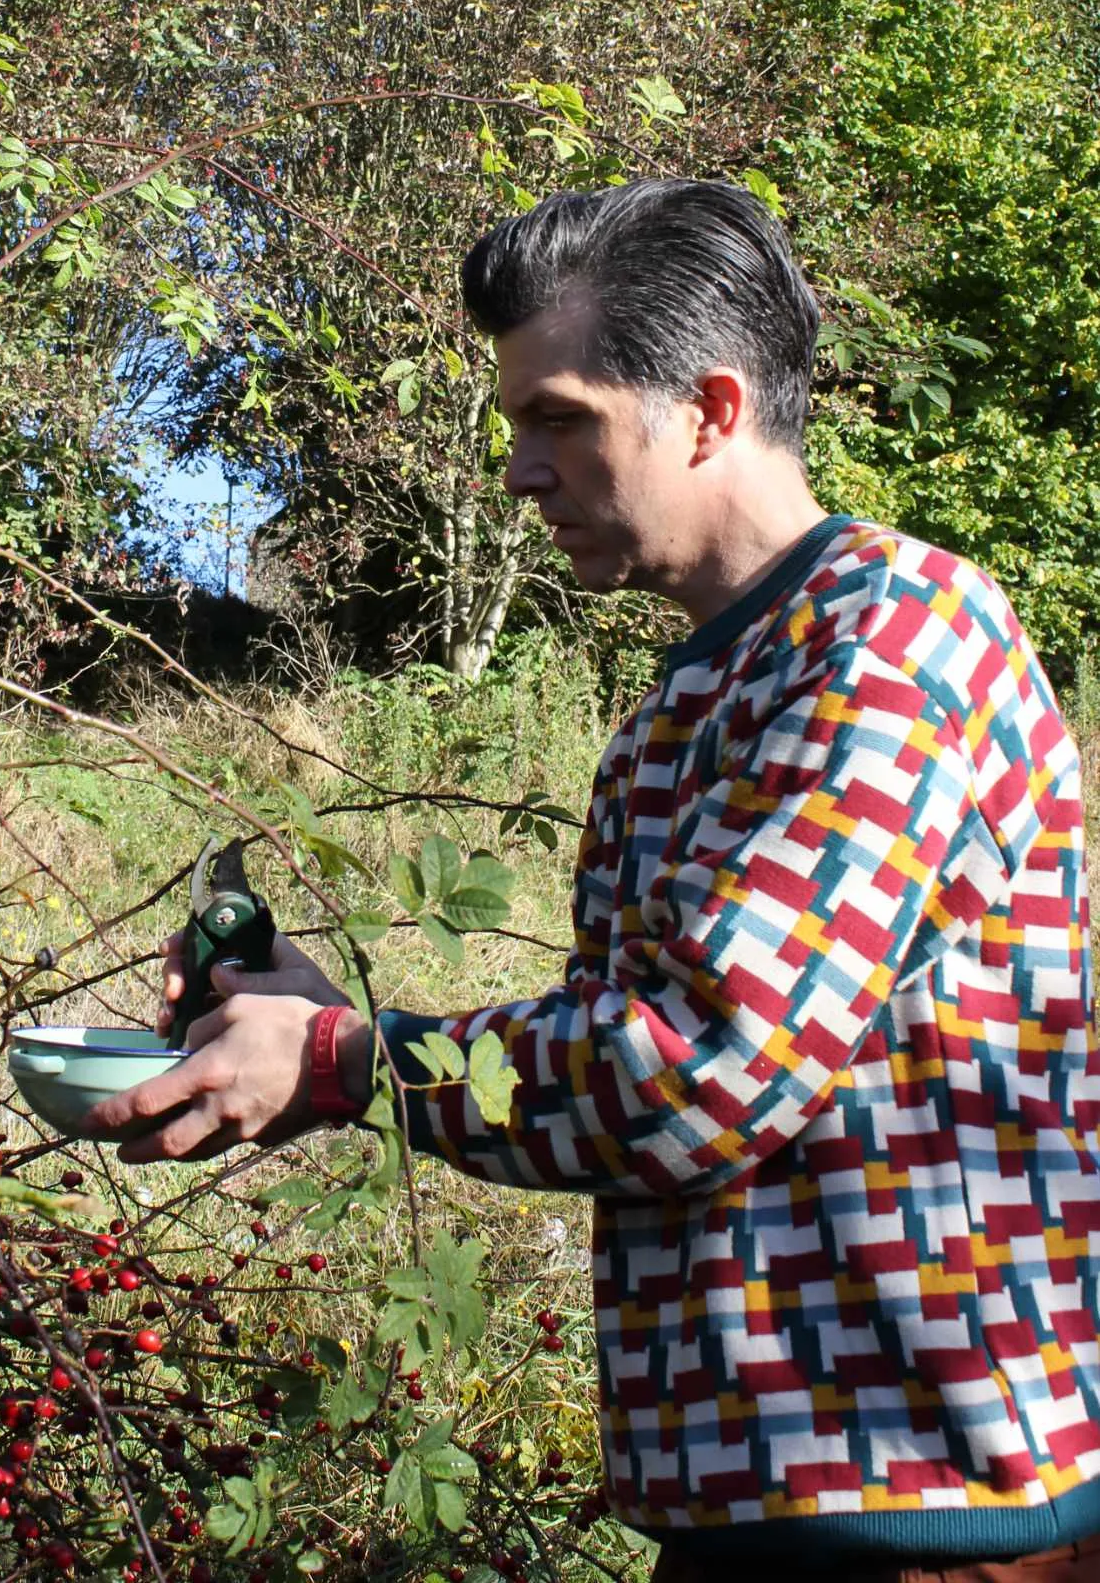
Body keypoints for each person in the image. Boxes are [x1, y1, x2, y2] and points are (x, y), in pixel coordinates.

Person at [86, 178, 1100, 1581]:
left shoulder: (886, 641)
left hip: (913, 1505)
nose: (517, 471)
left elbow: (699, 1073)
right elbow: (646, 1049)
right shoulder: (709, 678)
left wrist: (341, 1068)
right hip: (774, 1503)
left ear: (712, 407)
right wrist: (314, 1020)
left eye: (558, 417)